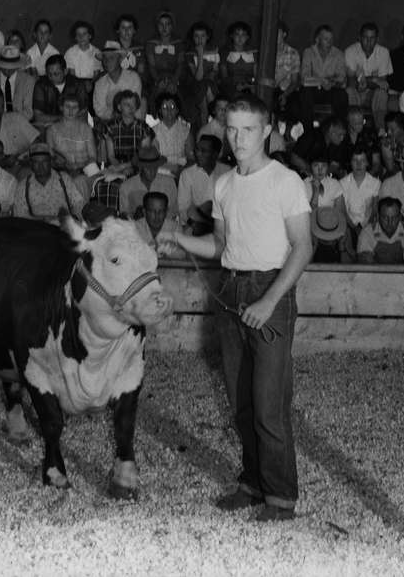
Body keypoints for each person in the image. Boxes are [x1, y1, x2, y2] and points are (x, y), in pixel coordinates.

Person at [158, 94, 311, 522]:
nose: (238, 138)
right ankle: (252, 482)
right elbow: (220, 246)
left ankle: (281, 497)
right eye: (231, 129)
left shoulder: (285, 182)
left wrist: (268, 300)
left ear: (266, 131)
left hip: (270, 293)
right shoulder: (223, 185)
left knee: (268, 403)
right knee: (241, 401)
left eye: (248, 130)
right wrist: (178, 240)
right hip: (230, 291)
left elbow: (303, 248)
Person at [13, 142, 84, 222]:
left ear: (50, 162)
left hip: (63, 227)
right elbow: (19, 215)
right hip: (37, 229)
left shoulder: (64, 179)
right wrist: (44, 220)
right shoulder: (23, 186)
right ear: (31, 164)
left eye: (44, 161)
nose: (41, 166)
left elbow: (79, 203)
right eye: (36, 162)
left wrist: (72, 219)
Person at [177, 134, 231, 233]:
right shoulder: (187, 174)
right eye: (197, 149)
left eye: (204, 151)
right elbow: (183, 210)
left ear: (215, 154)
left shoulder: (228, 172)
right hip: (196, 224)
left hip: (223, 225)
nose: (198, 154)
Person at [298, 25, 348, 124]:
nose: (329, 42)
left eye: (331, 39)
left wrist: (330, 82)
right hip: (313, 89)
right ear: (317, 40)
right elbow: (305, 77)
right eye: (326, 39)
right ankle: (308, 130)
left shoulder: (338, 54)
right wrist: (321, 81)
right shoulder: (308, 52)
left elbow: (341, 77)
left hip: (331, 89)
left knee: (342, 95)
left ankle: (339, 128)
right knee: (305, 93)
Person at [344, 22, 393, 124]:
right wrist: (374, 80)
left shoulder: (384, 52)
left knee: (382, 93)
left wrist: (366, 80)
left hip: (373, 94)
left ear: (377, 39)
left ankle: (381, 131)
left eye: (372, 38)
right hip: (356, 92)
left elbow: (382, 83)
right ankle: (354, 129)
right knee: (349, 91)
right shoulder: (350, 51)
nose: (368, 41)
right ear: (359, 38)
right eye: (365, 37)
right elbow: (351, 82)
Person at [356, 196, 404, 264]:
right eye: (385, 217)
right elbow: (365, 264)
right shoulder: (367, 232)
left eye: (394, 218)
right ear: (378, 217)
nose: (390, 222)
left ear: (400, 217)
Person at [118, 145, 177, 219]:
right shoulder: (126, 187)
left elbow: (174, 212)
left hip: (165, 228)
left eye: (155, 167)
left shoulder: (169, 183)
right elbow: (124, 218)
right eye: (148, 168)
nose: (152, 171)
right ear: (140, 167)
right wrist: (134, 217)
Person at [93, 41, 143, 122]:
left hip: (132, 121)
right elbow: (100, 110)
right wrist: (113, 115)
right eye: (105, 58)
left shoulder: (133, 78)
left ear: (120, 59)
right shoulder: (100, 83)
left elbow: (135, 105)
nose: (107, 61)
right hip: (109, 123)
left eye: (111, 58)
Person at [0, 46, 35, 119]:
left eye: (11, 67)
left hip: (19, 123)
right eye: (4, 66)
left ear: (17, 66)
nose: (7, 70)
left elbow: (28, 112)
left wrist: (9, 119)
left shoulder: (28, 81)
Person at [339, 145, 381, 237]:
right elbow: (343, 211)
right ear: (350, 162)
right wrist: (353, 228)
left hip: (368, 226)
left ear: (367, 163)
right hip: (347, 227)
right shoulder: (342, 183)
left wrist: (365, 229)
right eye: (355, 160)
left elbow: (374, 210)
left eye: (362, 160)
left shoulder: (375, 183)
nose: (358, 164)